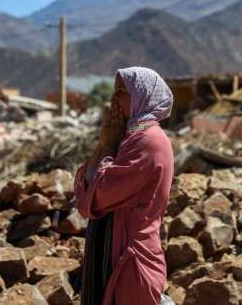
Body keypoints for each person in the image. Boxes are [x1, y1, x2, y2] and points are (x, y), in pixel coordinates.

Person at [74, 67, 174, 305]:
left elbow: (97, 195)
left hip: (129, 260)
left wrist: (107, 146)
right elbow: (84, 189)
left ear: (141, 95)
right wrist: (105, 143)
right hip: (109, 253)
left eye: (121, 92)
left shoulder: (148, 141)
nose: (113, 100)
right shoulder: (128, 138)